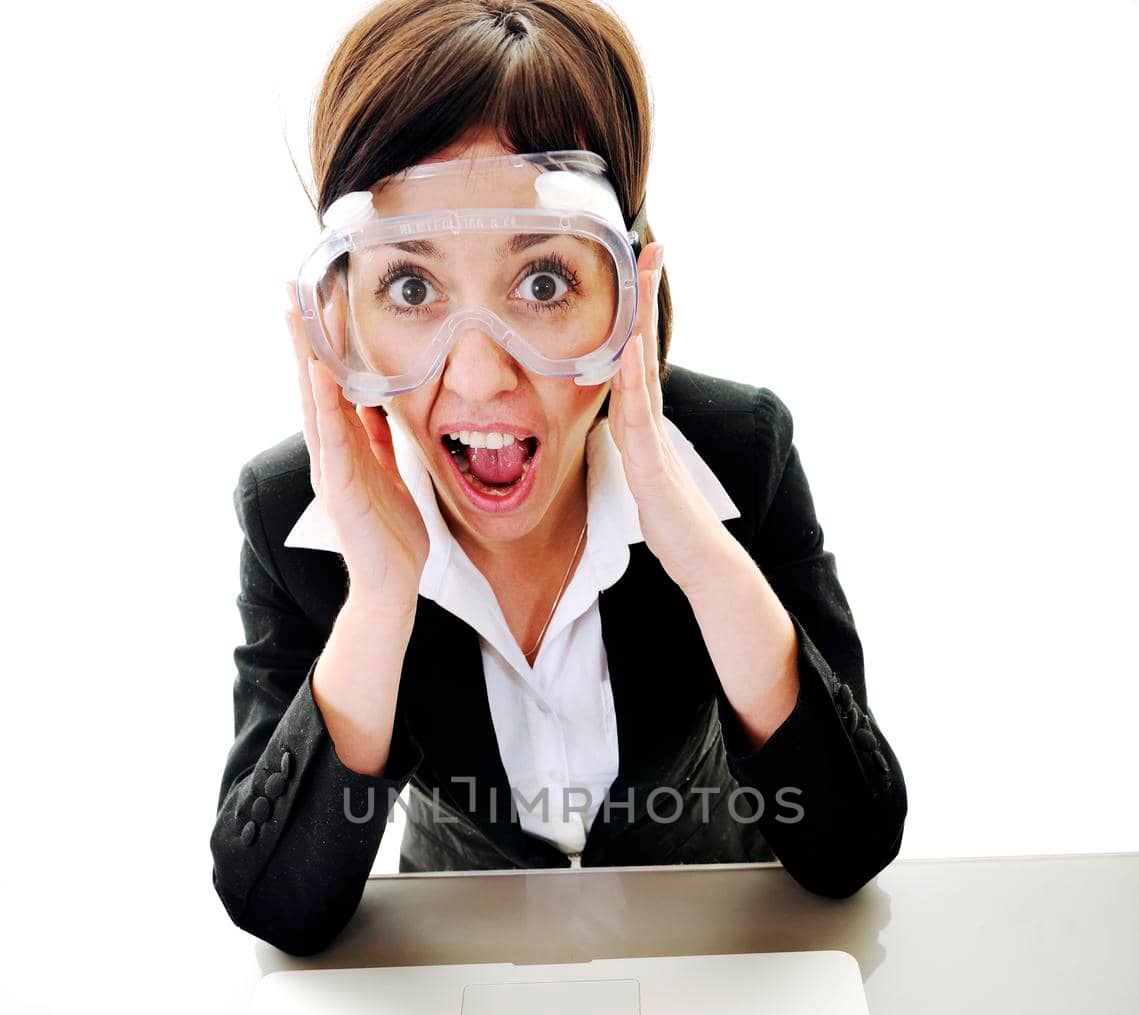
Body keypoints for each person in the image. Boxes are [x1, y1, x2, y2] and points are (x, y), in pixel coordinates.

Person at [211, 0, 907, 957]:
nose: (481, 374)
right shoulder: (293, 518)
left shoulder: (738, 454)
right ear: (344, 314)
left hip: (712, 963)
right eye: (410, 288)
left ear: (625, 293)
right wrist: (378, 602)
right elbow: (277, 910)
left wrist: (700, 555)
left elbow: (851, 848)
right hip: (464, 984)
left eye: (542, 283)